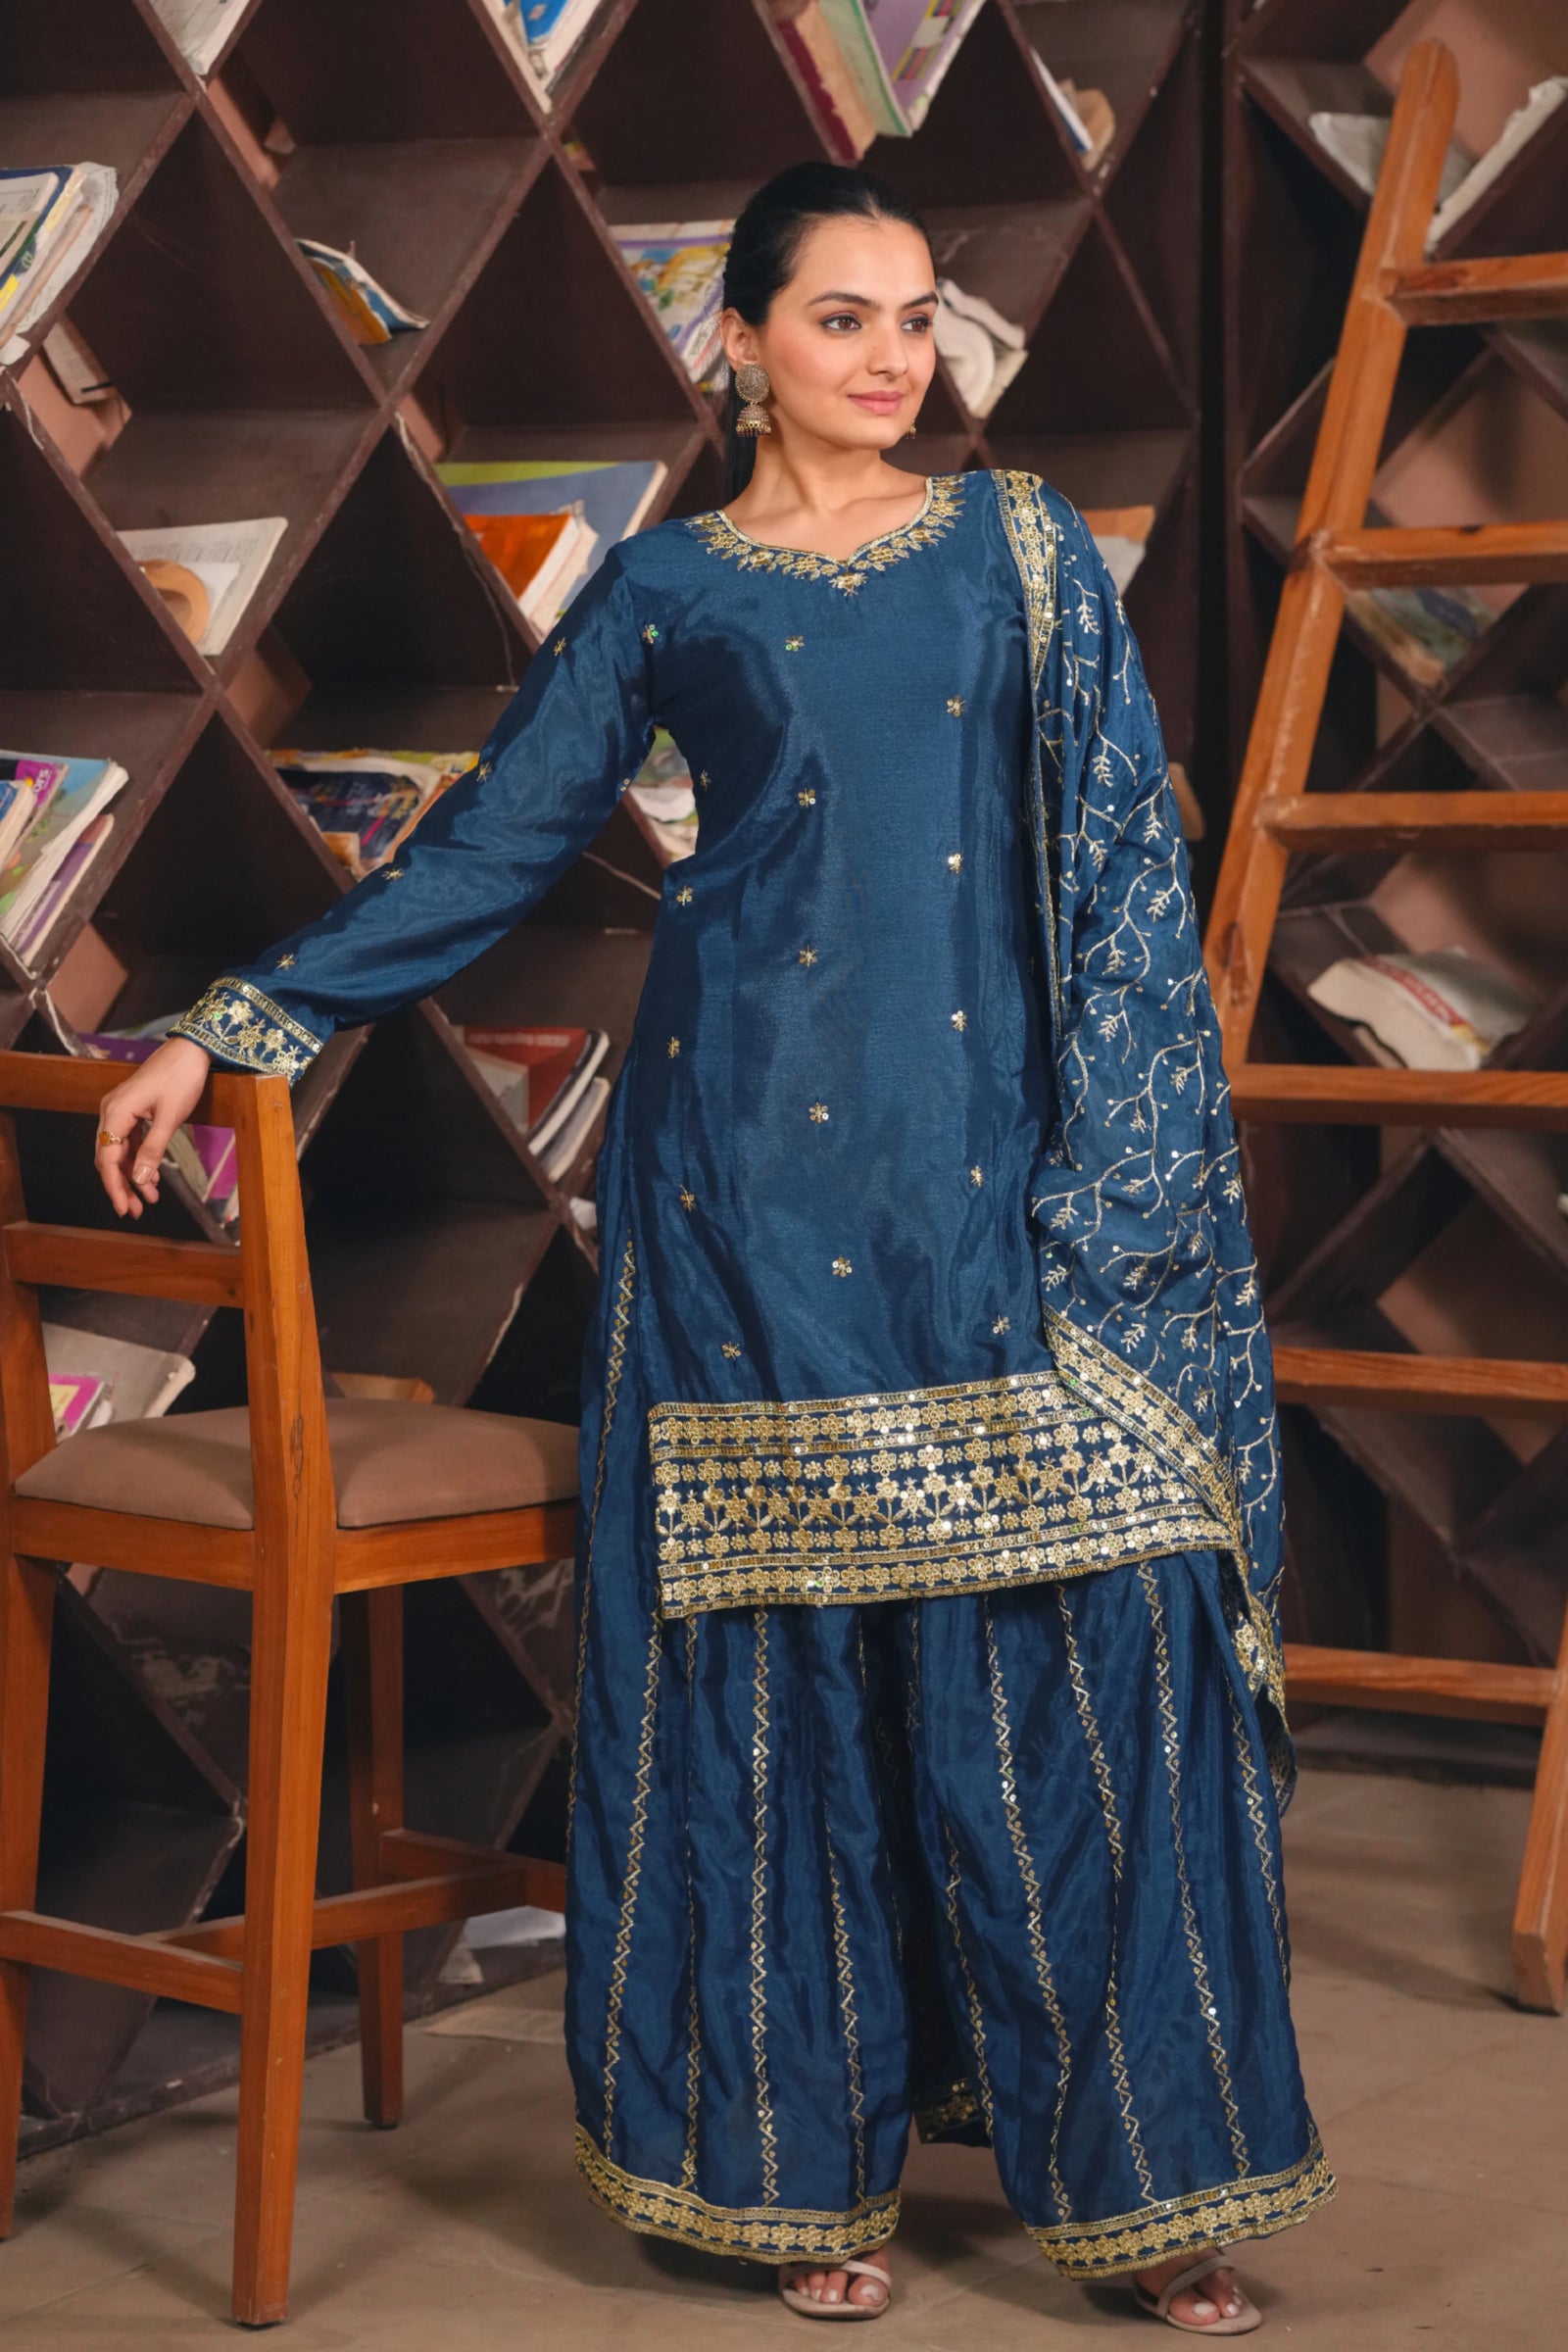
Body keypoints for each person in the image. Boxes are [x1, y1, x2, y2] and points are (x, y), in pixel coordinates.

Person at [95, 162, 1332, 2332]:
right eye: (841, 318)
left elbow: (1129, 869)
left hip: (1014, 1187)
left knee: (1069, 1670)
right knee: (787, 1697)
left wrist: (1117, 1186)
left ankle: (1143, 2202)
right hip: (746, 1182)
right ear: (738, 340)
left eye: (917, 317)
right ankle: (794, 2179)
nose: (892, 360)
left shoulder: (1022, 555)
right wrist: (237, 1022)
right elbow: (492, 844)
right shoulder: (668, 588)